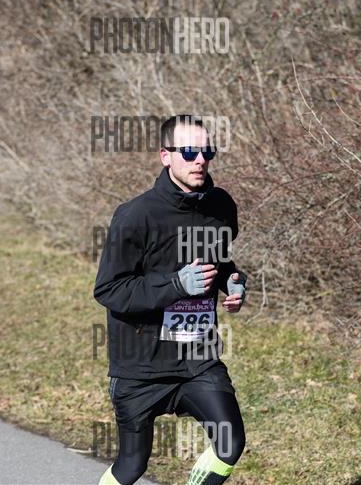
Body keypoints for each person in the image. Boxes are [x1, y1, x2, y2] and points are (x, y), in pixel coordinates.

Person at [94, 115, 247, 485]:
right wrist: (176, 285)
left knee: (230, 443)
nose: (200, 160)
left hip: (197, 358)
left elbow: (218, 262)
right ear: (166, 156)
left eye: (207, 151)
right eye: (189, 152)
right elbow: (110, 289)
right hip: (140, 365)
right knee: (132, 466)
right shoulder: (136, 215)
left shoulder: (221, 206)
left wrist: (233, 283)